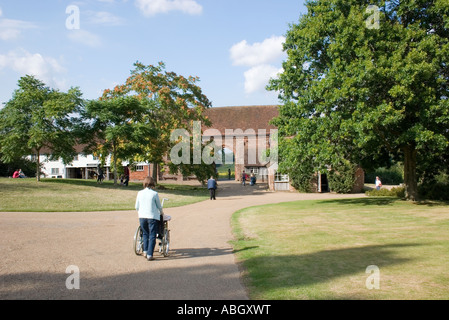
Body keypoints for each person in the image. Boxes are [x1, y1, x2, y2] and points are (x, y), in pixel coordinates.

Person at [135, 176, 162, 261]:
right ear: (152, 183)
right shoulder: (154, 194)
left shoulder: (139, 193)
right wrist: (161, 213)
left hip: (142, 216)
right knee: (152, 235)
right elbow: (159, 206)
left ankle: (145, 251)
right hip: (152, 217)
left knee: (145, 234)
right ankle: (150, 254)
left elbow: (136, 207)